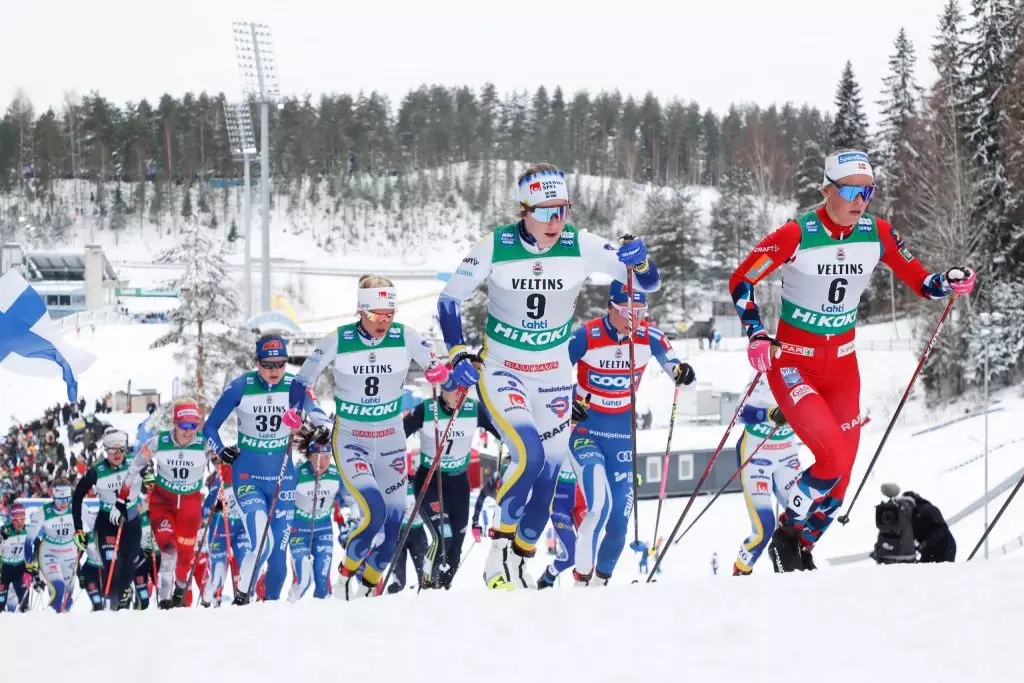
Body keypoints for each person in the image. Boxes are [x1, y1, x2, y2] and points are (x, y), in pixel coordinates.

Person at [729, 148, 976, 572]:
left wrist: (948, 282)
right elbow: (741, 280)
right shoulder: (796, 233)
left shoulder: (877, 232)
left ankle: (794, 544)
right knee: (832, 460)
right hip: (794, 364)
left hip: (843, 368)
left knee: (839, 485)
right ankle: (787, 527)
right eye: (850, 191)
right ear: (827, 189)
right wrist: (756, 332)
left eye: (868, 191)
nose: (859, 200)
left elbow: (921, 281)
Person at [438, 162, 661, 590]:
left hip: (555, 374)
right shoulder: (496, 245)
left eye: (564, 209)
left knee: (548, 477)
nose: (557, 221)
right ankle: (498, 552)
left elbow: (646, 283)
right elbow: (449, 300)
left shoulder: (581, 244)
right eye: (546, 212)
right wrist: (455, 354)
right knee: (531, 455)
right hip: (504, 370)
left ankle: (521, 558)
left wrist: (641, 260)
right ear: (524, 210)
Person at [290, 275, 449, 600]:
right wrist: (310, 412)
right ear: (361, 310)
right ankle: (345, 576)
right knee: (374, 511)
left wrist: (441, 372)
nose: (384, 322)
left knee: (393, 528)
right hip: (351, 438)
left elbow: (438, 367)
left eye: (390, 314)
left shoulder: (406, 336)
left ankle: (365, 589)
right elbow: (301, 383)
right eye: (377, 315)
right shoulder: (339, 339)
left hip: (391, 439)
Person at [569, 281, 695, 585]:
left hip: (623, 433)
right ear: (611, 307)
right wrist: (567, 403)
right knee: (597, 507)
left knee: (619, 522)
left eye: (640, 311)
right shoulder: (586, 335)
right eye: (626, 311)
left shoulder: (651, 338)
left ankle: (601, 584)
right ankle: (580, 580)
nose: (633, 318)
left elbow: (677, 370)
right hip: (587, 429)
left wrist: (684, 374)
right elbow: (554, 371)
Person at [204, 334, 329, 605]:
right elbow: (209, 426)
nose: (274, 371)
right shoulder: (240, 386)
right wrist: (221, 448)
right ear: (257, 362)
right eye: (267, 364)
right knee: (263, 542)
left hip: (283, 479)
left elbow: (318, 412)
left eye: (280, 364)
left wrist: (320, 429)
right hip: (248, 475)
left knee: (278, 558)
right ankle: (242, 598)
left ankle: (269, 608)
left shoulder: (296, 387)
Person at [403, 379, 499, 588]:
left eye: (463, 389)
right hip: (430, 481)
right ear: (443, 390)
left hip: (458, 484)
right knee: (442, 537)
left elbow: (502, 431)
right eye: (453, 389)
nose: (459, 394)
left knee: (455, 547)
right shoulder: (426, 410)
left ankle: (443, 589)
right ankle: (427, 585)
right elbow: (398, 435)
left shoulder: (474, 409)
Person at [125, 399, 210, 608]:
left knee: (184, 561)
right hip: (163, 503)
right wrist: (125, 494)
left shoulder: (205, 443)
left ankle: (180, 589)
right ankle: (164, 602)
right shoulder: (158, 442)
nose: (189, 431)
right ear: (175, 423)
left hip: (190, 506)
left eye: (194, 425)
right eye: (184, 425)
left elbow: (225, 465)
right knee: (169, 552)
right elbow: (136, 466)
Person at [731, 374, 801, 575]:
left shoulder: (801, 374)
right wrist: (769, 413)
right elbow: (739, 412)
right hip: (756, 453)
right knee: (763, 528)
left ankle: (791, 564)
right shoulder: (764, 378)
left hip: (787, 453)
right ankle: (741, 570)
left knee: (803, 513)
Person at [71, 431, 143, 610]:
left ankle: (124, 605)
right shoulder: (96, 471)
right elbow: (77, 497)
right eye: (112, 450)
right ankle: (111, 609)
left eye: (121, 449)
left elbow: (153, 481)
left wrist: (150, 481)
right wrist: (78, 528)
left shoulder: (135, 463)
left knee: (127, 571)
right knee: (113, 567)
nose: (117, 454)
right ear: (105, 451)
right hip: (107, 525)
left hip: (132, 522)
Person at [288, 439, 341, 601]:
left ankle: (321, 620)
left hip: (324, 529)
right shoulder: (298, 473)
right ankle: (287, 610)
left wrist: (347, 522)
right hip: (299, 530)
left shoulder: (335, 474)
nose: (323, 462)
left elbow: (346, 499)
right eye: (318, 457)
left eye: (327, 457)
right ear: (310, 456)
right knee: (304, 580)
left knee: (322, 581)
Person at [200, 466, 250, 606]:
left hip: (241, 528)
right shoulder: (222, 479)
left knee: (247, 562)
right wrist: (216, 507)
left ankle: (247, 600)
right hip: (220, 529)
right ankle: (207, 601)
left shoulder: (251, 477)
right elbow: (204, 511)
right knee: (218, 576)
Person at [27, 478, 78, 612]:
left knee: (67, 598)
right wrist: (29, 563)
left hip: (70, 554)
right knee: (58, 588)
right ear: (53, 497)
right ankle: (48, 619)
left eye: (67, 499)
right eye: (60, 500)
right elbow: (29, 539)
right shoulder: (43, 512)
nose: (64, 504)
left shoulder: (77, 507)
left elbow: (93, 528)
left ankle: (59, 626)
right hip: (49, 554)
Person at [536, 460, 587, 589]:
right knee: (570, 556)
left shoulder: (587, 441)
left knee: (588, 551)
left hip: (583, 502)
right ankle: (549, 575)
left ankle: (582, 584)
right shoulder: (557, 442)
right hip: (560, 504)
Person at [387, 480, 429, 593]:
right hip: (398, 533)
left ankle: (426, 606)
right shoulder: (395, 479)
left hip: (418, 533)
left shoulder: (423, 479)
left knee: (425, 578)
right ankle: (387, 604)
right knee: (399, 583)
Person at [902, 491, 956, 562]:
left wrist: (925, 543)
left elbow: (941, 530)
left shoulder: (926, 509)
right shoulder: (915, 514)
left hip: (942, 547)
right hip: (938, 547)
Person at [132, 470, 157, 609]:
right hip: (141, 558)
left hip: (157, 557)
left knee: (164, 595)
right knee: (143, 599)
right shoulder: (140, 512)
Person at [0, 503, 28, 612]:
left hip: (19, 568)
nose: (20, 523)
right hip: (5, 569)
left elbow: (35, 553)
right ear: (12, 520)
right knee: (1, 604)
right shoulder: (4, 531)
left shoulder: (29, 531)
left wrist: (35, 573)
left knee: (24, 603)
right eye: (16, 520)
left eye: (22, 519)